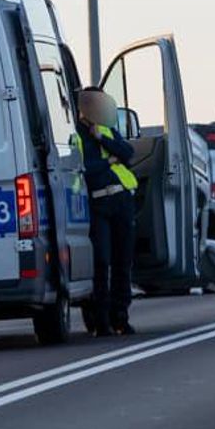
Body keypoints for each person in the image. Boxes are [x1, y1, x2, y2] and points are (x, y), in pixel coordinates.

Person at [76, 87, 138, 336]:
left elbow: (128, 153)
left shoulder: (105, 129)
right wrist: (108, 161)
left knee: (123, 261)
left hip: (121, 200)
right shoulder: (76, 134)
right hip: (97, 204)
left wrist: (103, 139)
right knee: (101, 263)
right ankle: (100, 320)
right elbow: (86, 169)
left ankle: (120, 317)